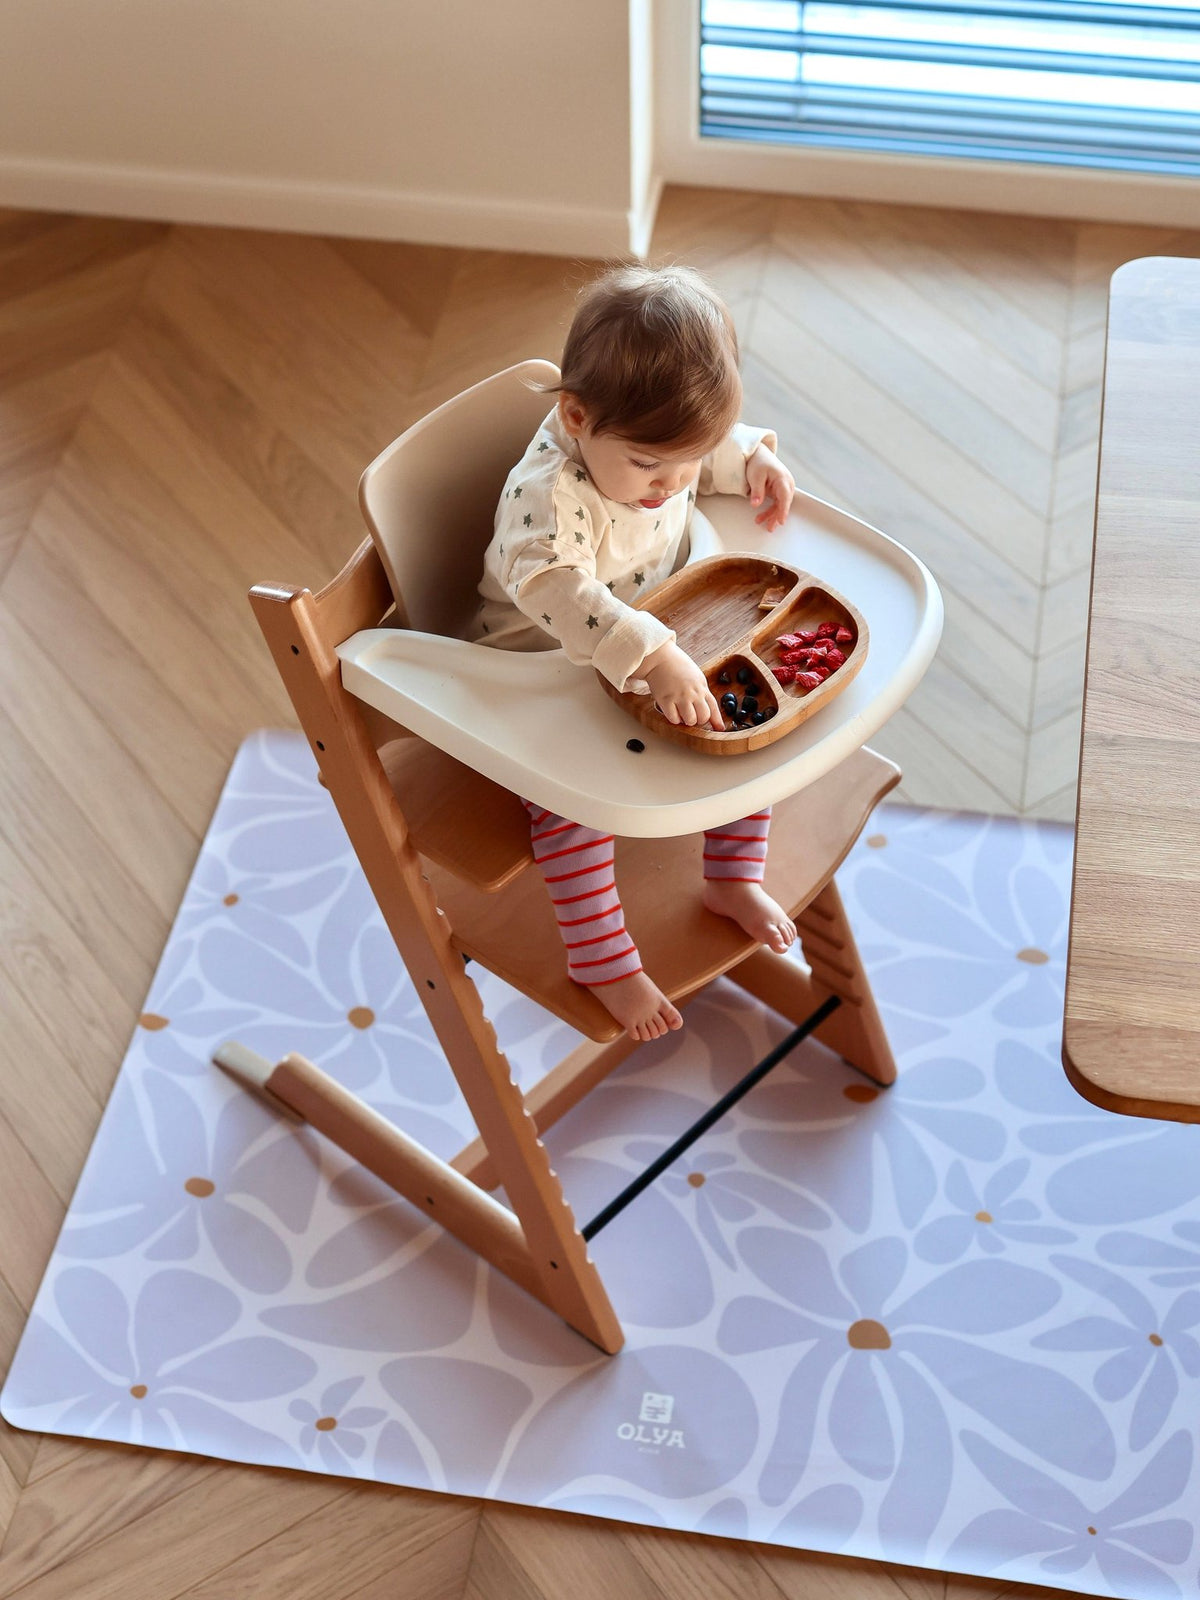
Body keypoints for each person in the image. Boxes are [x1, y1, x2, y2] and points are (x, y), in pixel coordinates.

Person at [468, 263, 798, 1042]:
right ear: (576, 418)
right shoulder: (549, 499)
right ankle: (602, 960)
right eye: (651, 466)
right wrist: (650, 656)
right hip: (535, 671)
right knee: (572, 812)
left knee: (745, 729)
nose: (670, 486)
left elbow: (690, 451)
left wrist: (748, 458)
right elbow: (553, 588)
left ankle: (732, 879)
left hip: (657, 632)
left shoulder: (652, 451)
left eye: (690, 461)